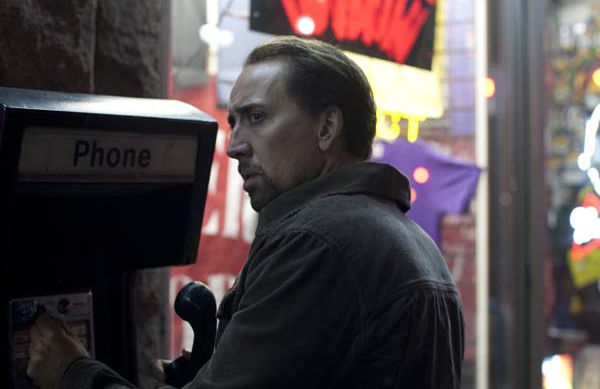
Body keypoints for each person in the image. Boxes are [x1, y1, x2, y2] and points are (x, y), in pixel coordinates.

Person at [27, 36, 464, 389]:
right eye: (233, 122)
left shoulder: (316, 242)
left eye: (256, 117)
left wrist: (71, 372)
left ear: (327, 128)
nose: (234, 146)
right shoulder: (408, 238)